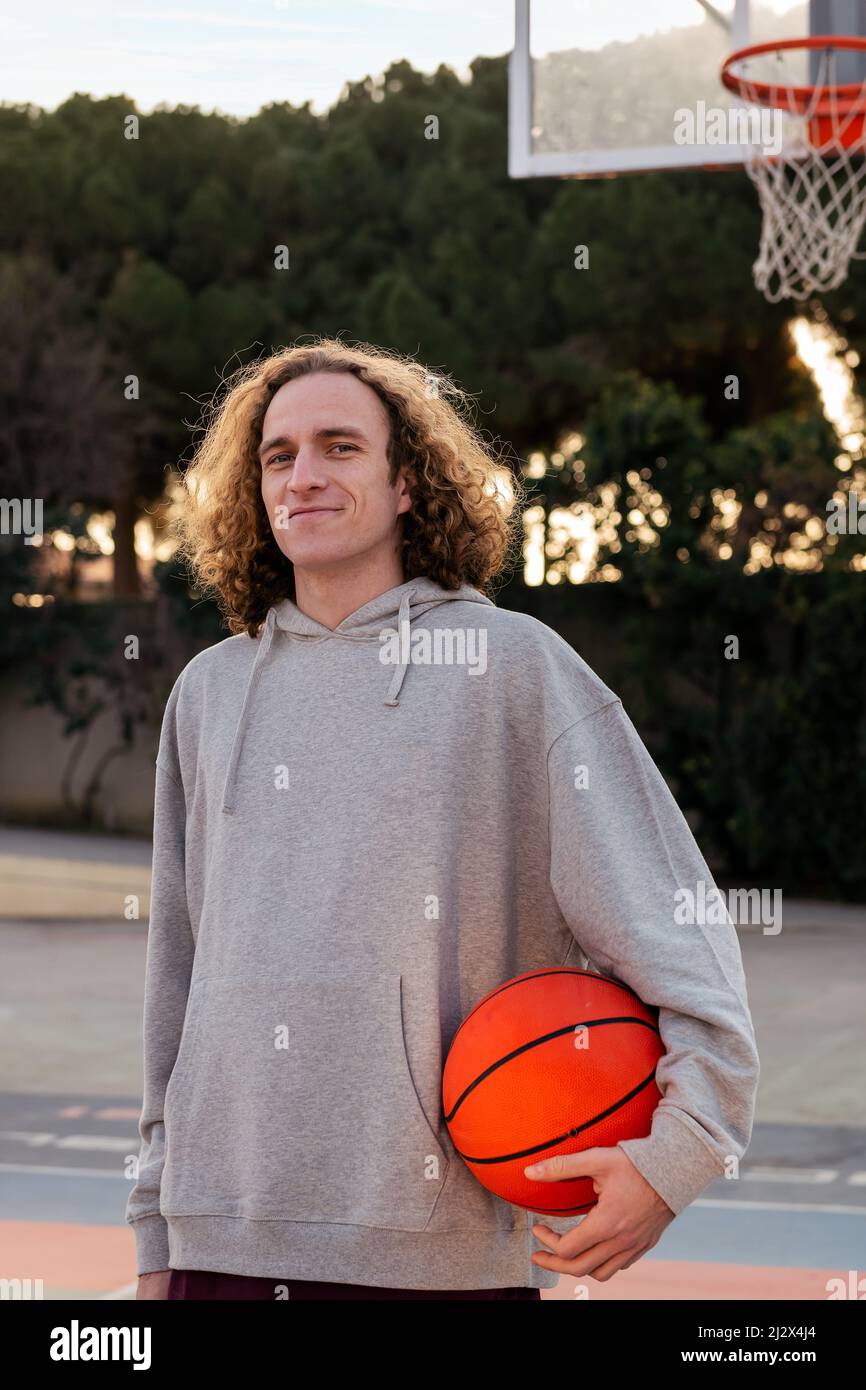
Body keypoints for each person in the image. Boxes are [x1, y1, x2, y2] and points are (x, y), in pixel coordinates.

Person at [127, 338, 760, 1301]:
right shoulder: (209, 693)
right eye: (278, 456)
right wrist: (154, 1223)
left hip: (440, 1255)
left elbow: (684, 936)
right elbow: (176, 978)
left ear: (409, 482)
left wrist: (678, 1155)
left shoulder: (514, 671)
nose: (304, 475)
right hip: (222, 1243)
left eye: (341, 446)